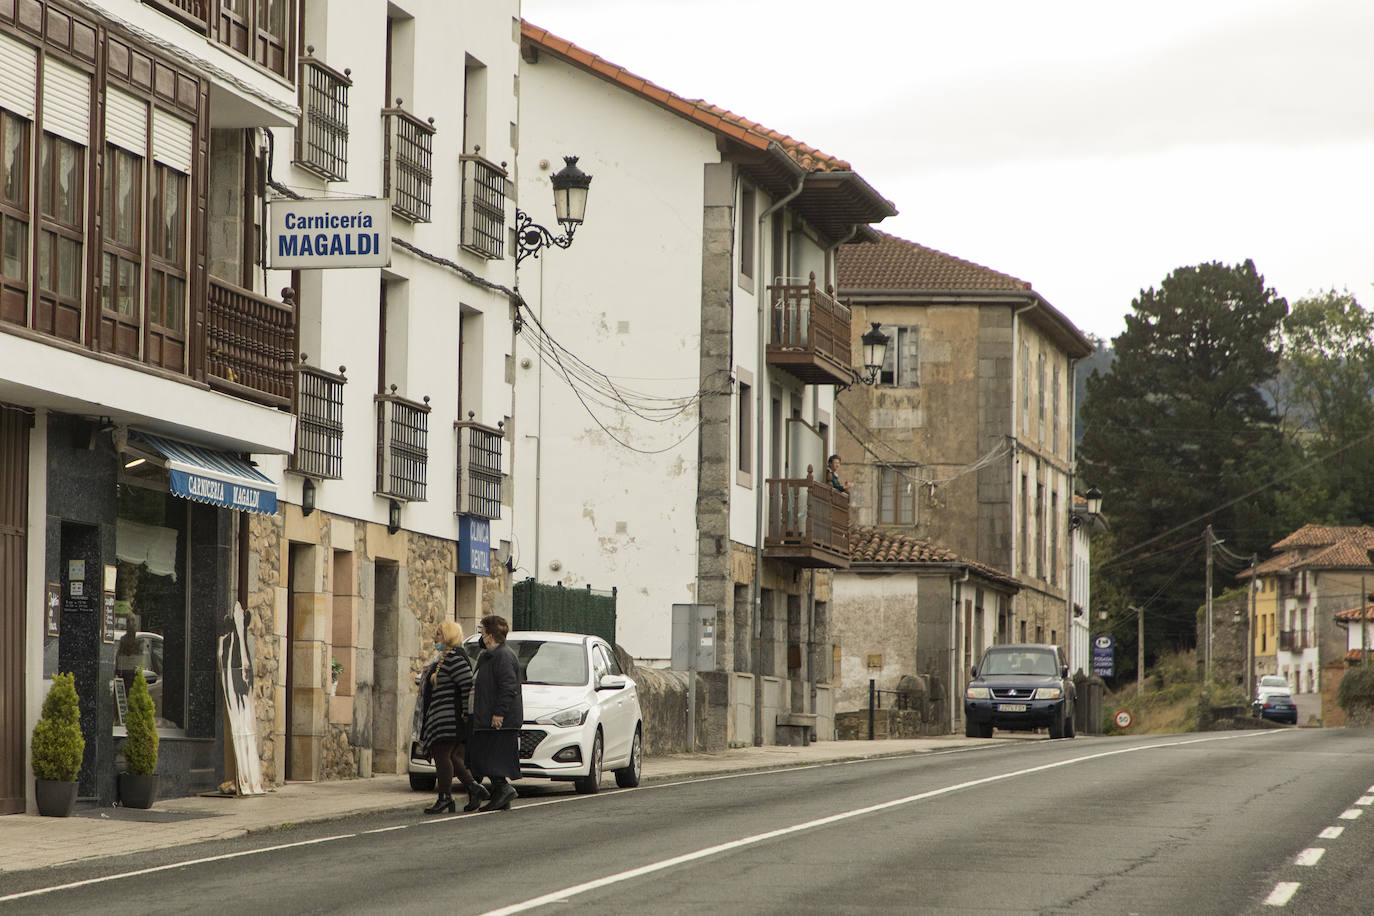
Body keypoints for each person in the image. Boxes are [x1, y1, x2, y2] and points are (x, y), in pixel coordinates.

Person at [418, 620, 488, 814]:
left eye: (439, 634)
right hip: (442, 717)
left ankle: (445, 798)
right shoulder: (446, 658)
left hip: (450, 719)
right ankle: (474, 789)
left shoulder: (455, 658)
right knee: (452, 757)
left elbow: (467, 686)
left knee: (443, 756)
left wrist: (466, 713)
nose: (435, 638)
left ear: (448, 637)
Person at [466, 614, 522, 812]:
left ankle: (504, 788)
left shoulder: (503, 656)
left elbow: (508, 687)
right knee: (485, 757)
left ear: (489, 635)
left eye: (482, 631)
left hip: (497, 720)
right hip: (484, 716)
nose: (480, 635)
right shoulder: (490, 655)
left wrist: (499, 714)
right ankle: (501, 796)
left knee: (488, 758)